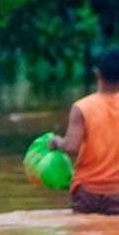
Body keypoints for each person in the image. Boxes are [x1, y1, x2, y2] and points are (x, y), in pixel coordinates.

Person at [47, 47, 119, 214]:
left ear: (97, 74)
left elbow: (71, 147)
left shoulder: (82, 107)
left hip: (87, 193)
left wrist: (56, 141)